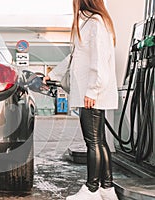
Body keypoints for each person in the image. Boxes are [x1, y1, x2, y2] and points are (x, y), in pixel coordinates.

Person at [46, 0, 120, 199]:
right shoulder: (88, 23)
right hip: (91, 92)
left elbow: (99, 61)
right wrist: (52, 75)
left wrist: (92, 91)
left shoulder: (95, 22)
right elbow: (74, 57)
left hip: (92, 93)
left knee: (93, 142)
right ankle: (107, 188)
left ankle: (92, 189)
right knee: (100, 141)